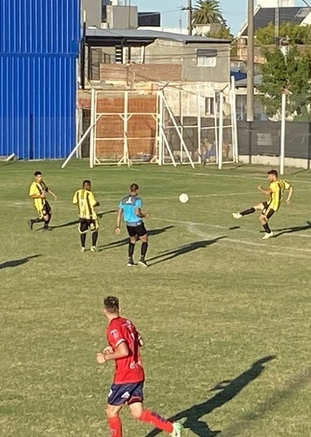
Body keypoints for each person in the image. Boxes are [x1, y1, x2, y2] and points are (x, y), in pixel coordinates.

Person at [96, 296, 183, 437]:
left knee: (111, 412)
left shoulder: (113, 328)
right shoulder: (128, 323)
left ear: (104, 311)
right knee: (138, 412)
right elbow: (140, 342)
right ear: (119, 309)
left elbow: (124, 351)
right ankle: (172, 428)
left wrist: (105, 357)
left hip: (125, 377)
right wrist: (113, 347)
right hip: (137, 373)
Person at [232, 169, 293, 239]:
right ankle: (239, 214)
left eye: (269, 176)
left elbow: (267, 192)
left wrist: (261, 189)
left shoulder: (274, 184)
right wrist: (288, 198)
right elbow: (290, 187)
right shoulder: (281, 182)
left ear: (273, 176)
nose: (268, 178)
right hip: (270, 202)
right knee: (256, 207)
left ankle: (269, 232)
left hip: (273, 205)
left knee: (262, 218)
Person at [115, 183, 150, 267]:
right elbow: (137, 213)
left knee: (132, 240)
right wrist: (145, 215)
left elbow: (119, 213)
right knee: (145, 239)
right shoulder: (137, 200)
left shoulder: (123, 200)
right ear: (137, 190)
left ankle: (130, 260)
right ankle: (142, 259)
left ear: (130, 190)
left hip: (129, 225)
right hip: (137, 224)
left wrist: (118, 226)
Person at [72, 180, 100, 252]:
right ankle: (93, 246)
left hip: (82, 216)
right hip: (90, 216)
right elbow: (93, 203)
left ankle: (83, 247)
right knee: (94, 230)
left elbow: (74, 202)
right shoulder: (89, 194)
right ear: (88, 186)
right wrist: (97, 203)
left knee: (83, 231)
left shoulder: (77, 192)